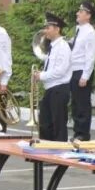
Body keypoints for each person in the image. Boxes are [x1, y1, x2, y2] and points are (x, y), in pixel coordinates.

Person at [34, 12, 72, 141]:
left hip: (59, 90)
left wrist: (42, 75)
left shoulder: (63, 46)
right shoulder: (53, 47)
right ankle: (46, 151)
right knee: (45, 122)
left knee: (58, 124)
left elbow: (61, 70)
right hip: (51, 89)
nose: (45, 31)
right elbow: (52, 67)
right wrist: (41, 74)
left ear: (57, 29)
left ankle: (60, 156)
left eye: (48, 28)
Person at [70, 0, 95, 141]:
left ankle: (83, 133)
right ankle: (77, 131)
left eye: (81, 12)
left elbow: (90, 56)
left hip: (82, 71)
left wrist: (85, 76)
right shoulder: (78, 30)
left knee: (82, 104)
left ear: (88, 15)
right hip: (74, 70)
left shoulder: (90, 32)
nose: (77, 13)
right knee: (75, 103)